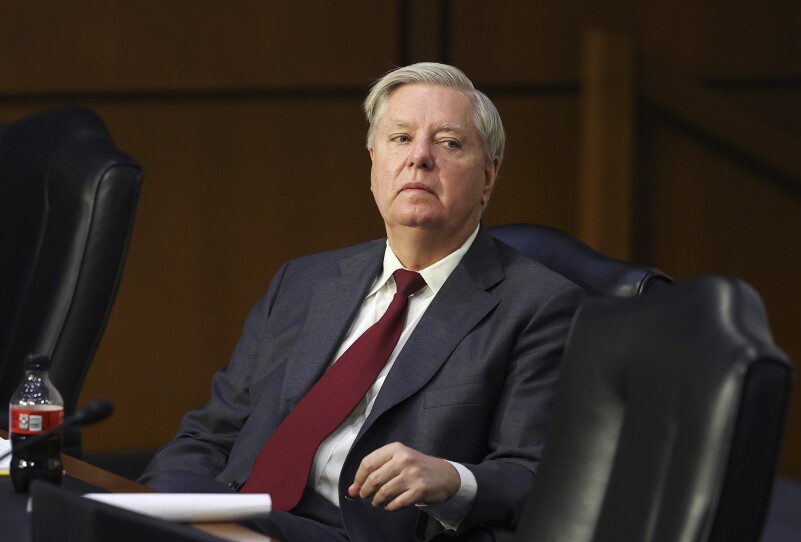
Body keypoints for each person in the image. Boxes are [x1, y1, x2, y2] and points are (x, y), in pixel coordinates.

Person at [140, 62, 586, 541]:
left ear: (488, 177)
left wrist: (453, 478)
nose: (419, 157)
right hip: (237, 516)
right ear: (373, 161)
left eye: (449, 143)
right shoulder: (304, 280)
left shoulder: (539, 306)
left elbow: (535, 476)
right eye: (400, 138)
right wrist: (152, 503)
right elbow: (212, 432)